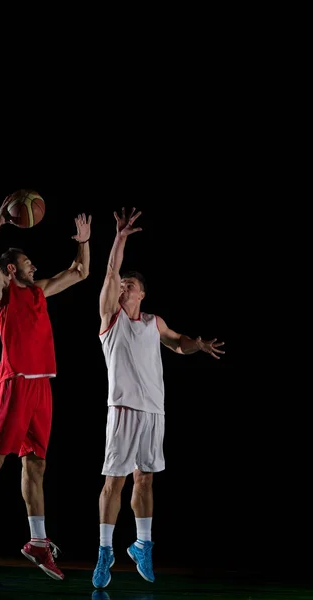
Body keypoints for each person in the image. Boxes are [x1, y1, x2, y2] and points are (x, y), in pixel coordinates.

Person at [0, 196, 92, 580]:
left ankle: (38, 542)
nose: (35, 266)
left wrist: (83, 240)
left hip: (43, 387)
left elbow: (80, 272)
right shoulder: (3, 291)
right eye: (28, 263)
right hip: (14, 384)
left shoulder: (40, 290)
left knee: (36, 464)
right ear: (12, 268)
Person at [92, 207, 225, 589]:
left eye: (129, 284)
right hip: (122, 410)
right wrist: (119, 238)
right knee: (113, 483)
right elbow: (108, 273)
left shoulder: (153, 321)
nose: (122, 287)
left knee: (145, 481)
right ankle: (105, 551)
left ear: (142, 292)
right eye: (121, 283)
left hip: (154, 412)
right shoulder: (110, 319)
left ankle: (143, 545)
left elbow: (177, 343)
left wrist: (195, 344)